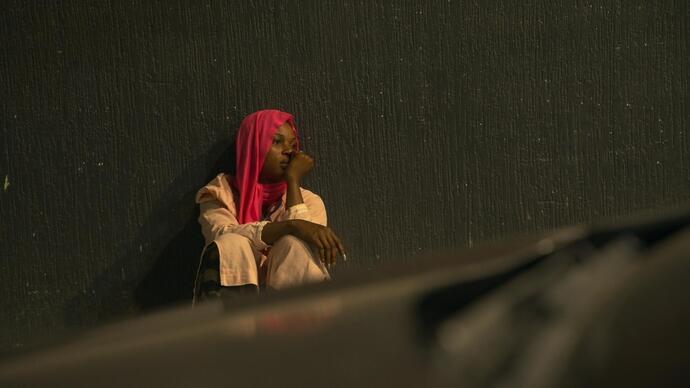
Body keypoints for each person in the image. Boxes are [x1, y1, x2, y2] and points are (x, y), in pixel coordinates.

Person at [192, 109, 346, 303]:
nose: (289, 151)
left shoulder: (309, 201)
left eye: (293, 144)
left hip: (289, 316)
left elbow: (308, 249)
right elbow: (220, 235)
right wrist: (291, 226)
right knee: (232, 243)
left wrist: (292, 182)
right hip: (240, 318)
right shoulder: (220, 193)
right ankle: (234, 328)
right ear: (254, 147)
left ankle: (297, 330)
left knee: (295, 244)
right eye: (277, 141)